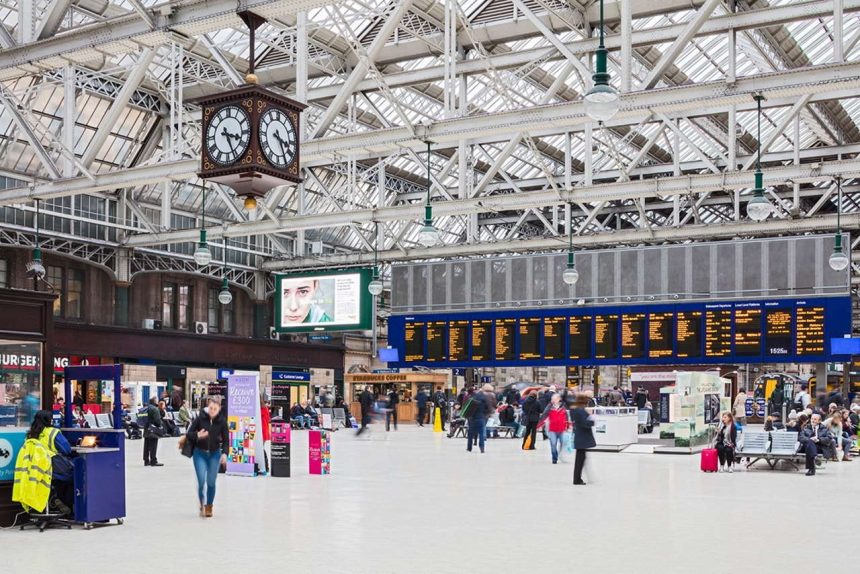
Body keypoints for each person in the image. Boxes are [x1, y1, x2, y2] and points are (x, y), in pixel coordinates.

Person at [16, 410, 75, 514]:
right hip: (53, 469)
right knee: (76, 476)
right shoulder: (53, 432)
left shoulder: (30, 434)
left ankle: (55, 498)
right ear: (49, 420)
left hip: (37, 473)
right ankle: (65, 503)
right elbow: (67, 450)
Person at [186, 397, 229, 518]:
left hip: (214, 454)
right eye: (211, 408)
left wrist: (225, 454)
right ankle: (201, 502)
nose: (212, 411)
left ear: (219, 409)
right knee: (201, 482)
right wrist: (197, 435)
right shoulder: (200, 419)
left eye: (215, 409)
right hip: (199, 453)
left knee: (211, 482)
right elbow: (188, 434)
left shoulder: (222, 421)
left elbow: (226, 441)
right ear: (207, 407)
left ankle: (209, 506)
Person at [571, 393, 596, 485]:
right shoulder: (581, 410)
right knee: (580, 460)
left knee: (580, 458)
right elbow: (585, 423)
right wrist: (592, 420)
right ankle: (577, 479)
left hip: (580, 437)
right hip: (582, 437)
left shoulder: (576, 409)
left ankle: (577, 478)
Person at [538, 393, 570, 464]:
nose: (552, 400)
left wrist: (567, 426)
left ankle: (560, 454)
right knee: (553, 443)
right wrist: (539, 425)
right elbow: (544, 415)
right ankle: (554, 458)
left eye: (554, 399)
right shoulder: (549, 407)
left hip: (562, 429)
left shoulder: (563, 407)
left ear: (559, 399)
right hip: (552, 429)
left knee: (563, 443)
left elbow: (566, 417)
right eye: (552, 399)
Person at [465, 389, 490, 453]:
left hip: (472, 419)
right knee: (481, 434)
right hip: (481, 418)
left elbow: (467, 409)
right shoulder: (484, 400)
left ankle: (469, 448)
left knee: (470, 434)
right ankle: (482, 448)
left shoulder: (472, 399)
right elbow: (487, 409)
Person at [143, 397, 164, 467]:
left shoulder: (146, 408)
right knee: (153, 445)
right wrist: (160, 425)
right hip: (153, 429)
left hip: (146, 429)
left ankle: (146, 461)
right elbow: (157, 421)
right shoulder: (155, 409)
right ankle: (153, 461)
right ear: (155, 402)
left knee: (146, 445)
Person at [260, 396, 272, 473]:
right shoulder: (265, 408)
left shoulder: (263, 409)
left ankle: (265, 466)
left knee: (261, 448)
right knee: (261, 448)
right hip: (263, 430)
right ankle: (265, 465)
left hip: (262, 431)